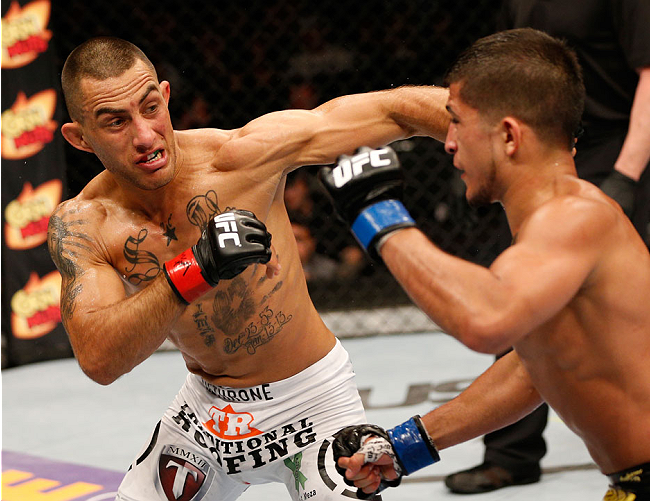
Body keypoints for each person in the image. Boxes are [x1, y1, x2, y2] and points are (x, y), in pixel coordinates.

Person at [48, 36, 449, 501]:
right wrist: (195, 269)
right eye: (115, 122)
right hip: (205, 413)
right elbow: (99, 359)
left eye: (150, 107)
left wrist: (508, 134)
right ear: (80, 137)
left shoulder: (239, 158)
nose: (144, 135)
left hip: (314, 403)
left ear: (166, 97)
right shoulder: (85, 223)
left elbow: (394, 111)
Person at [318, 28, 650, 501]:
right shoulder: (559, 223)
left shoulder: (573, 218)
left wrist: (376, 214)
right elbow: (530, 370)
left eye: (456, 122)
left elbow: (486, 321)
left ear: (510, 136)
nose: (449, 142)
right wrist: (403, 446)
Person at [442, 1, 650, 493]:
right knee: (528, 303)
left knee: (585, 314)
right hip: (534, 145)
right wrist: (467, 137)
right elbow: (495, 84)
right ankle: (512, 454)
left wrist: (625, 175)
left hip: (607, 146)